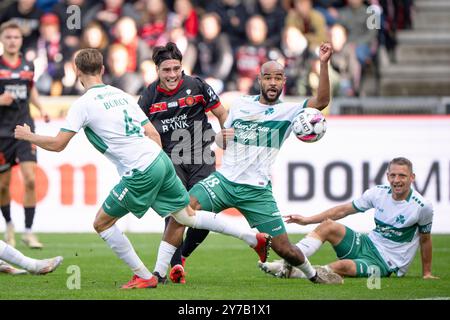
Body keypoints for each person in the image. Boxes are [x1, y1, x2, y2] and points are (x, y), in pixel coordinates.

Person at [14, 48, 271, 289]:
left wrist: (28, 136)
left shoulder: (83, 104)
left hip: (141, 170)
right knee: (186, 216)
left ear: (77, 71)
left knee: (102, 223)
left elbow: (59, 144)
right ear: (102, 69)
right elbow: (152, 133)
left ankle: (144, 276)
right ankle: (253, 238)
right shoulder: (120, 95)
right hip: (160, 160)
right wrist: (156, 165)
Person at [157, 42, 344, 285]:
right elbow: (224, 141)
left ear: (284, 81)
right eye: (268, 78)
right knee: (181, 210)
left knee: (284, 249)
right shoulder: (242, 105)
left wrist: (323, 63)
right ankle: (159, 274)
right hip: (224, 181)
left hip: (256, 191)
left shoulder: (289, 112)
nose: (273, 83)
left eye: (278, 78)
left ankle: (313, 274)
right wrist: (218, 138)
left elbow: (321, 100)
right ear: (260, 80)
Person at [137, 42, 229, 284]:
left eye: (176, 68)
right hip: (170, 160)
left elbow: (221, 113)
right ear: (157, 70)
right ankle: (175, 264)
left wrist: (228, 135)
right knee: (176, 211)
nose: (172, 74)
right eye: (166, 70)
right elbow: (138, 129)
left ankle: (183, 255)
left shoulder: (197, 86)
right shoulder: (148, 96)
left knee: (205, 211)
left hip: (201, 155)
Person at [259, 157, 439, 280]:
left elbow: (425, 240)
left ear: (412, 178)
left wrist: (427, 273)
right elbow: (343, 210)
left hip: (386, 263)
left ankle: (295, 273)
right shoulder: (378, 193)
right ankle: (287, 263)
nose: (397, 180)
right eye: (393, 175)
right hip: (368, 243)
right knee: (328, 226)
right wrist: (307, 220)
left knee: (342, 266)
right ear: (387, 176)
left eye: (402, 175)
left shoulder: (422, 206)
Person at [0, 21, 49, 250]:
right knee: (2, 186)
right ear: (2, 39)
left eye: (16, 37)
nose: (12, 41)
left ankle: (28, 231)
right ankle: (9, 224)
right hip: (2, 133)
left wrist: (41, 108)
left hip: (25, 130)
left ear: (21, 40)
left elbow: (31, 90)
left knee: (30, 179)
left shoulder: (28, 65)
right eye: (8, 37)